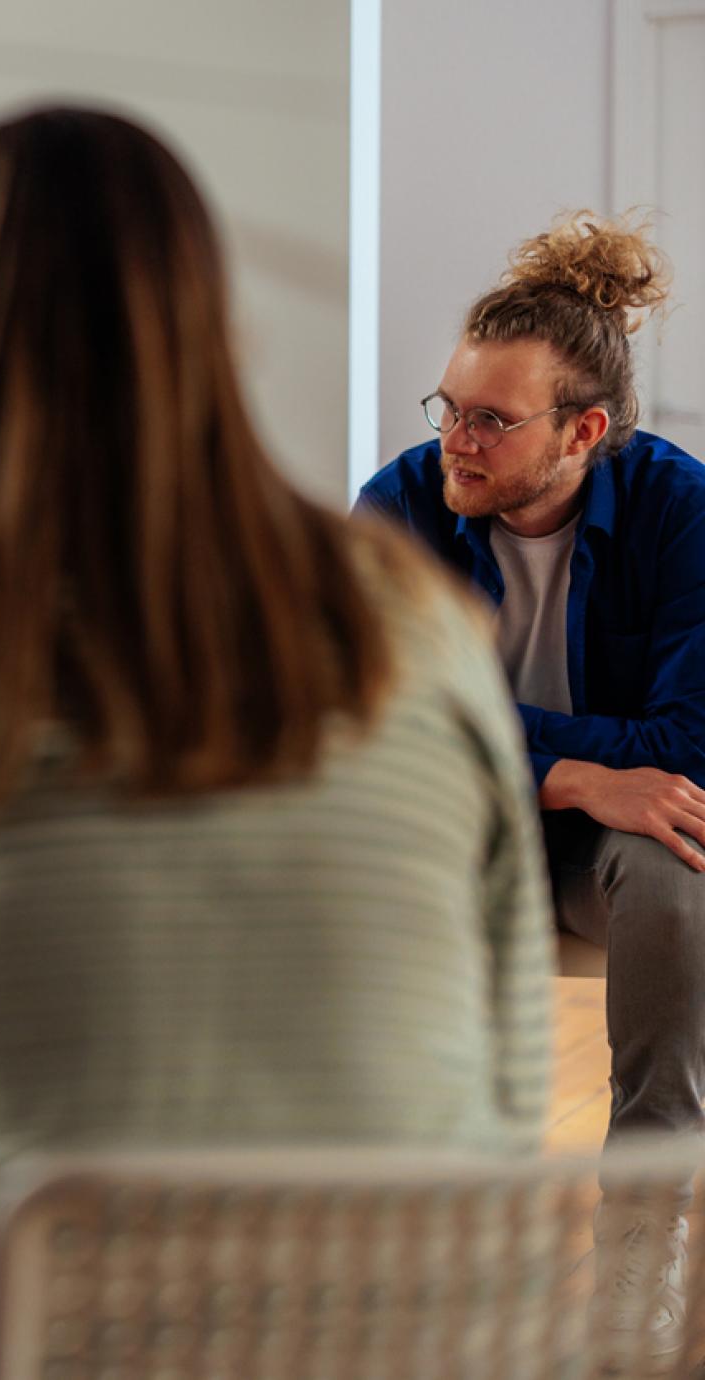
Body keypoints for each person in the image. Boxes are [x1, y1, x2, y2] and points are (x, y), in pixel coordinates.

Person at [0, 107, 555, 1380]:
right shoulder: (414, 614)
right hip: (431, 1325)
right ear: (208, 318)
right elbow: (511, 1053)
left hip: (29, 1327)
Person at [356, 212, 699, 1360]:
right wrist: (572, 773)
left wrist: (529, 754)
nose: (454, 439)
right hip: (458, 837)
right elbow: (385, 728)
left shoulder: (678, 510)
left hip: (616, 855)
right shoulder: (395, 507)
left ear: (581, 431)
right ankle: (415, 1253)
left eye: (489, 421)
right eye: (446, 408)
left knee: (675, 865)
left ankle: (638, 1274)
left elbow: (684, 743)